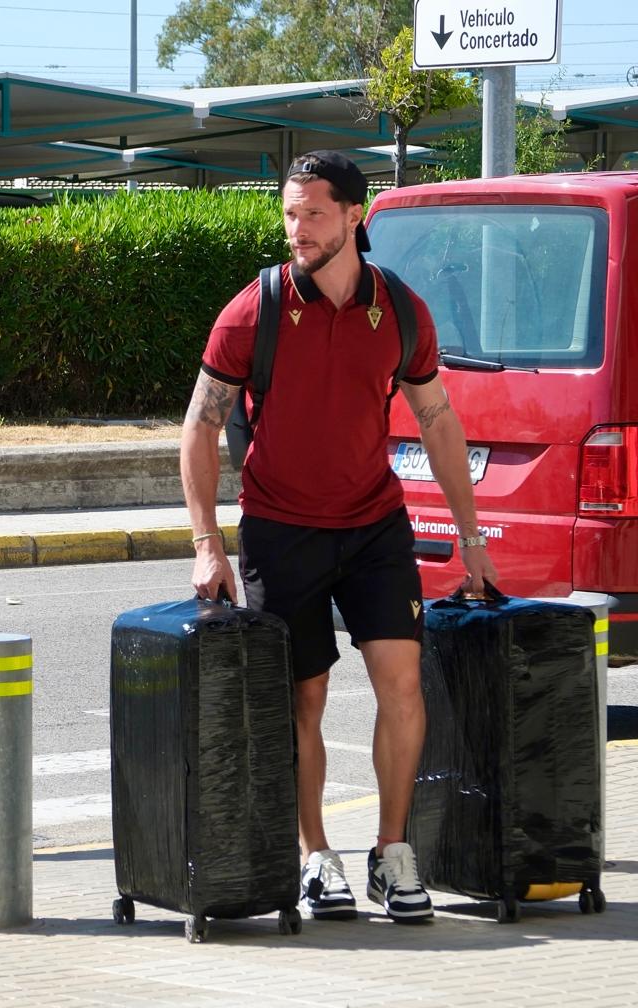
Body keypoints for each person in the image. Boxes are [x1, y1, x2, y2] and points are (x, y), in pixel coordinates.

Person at [180, 151, 500, 923]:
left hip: (373, 523)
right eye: (290, 215)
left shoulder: (402, 310)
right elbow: (199, 424)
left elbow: (437, 419)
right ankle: (314, 856)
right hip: (281, 528)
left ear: (356, 215)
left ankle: (392, 853)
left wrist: (472, 539)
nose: (298, 230)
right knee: (305, 699)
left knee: (403, 683)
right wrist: (207, 544)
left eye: (314, 214)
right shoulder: (252, 310)